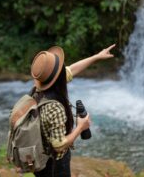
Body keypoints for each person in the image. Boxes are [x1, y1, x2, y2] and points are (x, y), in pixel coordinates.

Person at [30, 44, 116, 177]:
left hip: (40, 157)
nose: (64, 70)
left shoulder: (38, 90)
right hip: (54, 165)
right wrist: (81, 127)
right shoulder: (55, 108)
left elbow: (71, 70)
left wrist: (97, 57)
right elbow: (58, 145)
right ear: (57, 79)